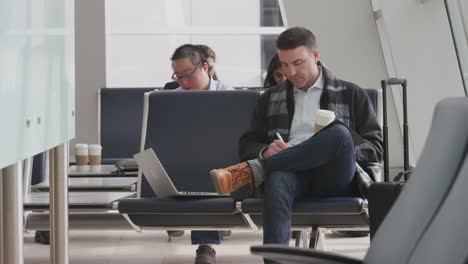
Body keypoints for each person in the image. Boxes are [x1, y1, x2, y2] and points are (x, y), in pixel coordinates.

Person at [209, 27, 383, 254]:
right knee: (278, 177)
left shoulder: (352, 94)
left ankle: (253, 171)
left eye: (298, 63)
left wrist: (335, 146)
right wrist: (264, 150)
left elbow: (375, 148)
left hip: (336, 177)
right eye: (284, 64)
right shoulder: (270, 98)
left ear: (315, 56)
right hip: (292, 175)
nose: (291, 72)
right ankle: (275, 260)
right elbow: (248, 142)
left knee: (338, 133)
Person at [168, 44, 233, 264]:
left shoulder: (230, 97)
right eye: (178, 77)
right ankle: (205, 246)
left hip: (224, 164)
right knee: (196, 166)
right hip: (184, 163)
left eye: (188, 75)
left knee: (207, 167)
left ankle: (205, 246)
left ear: (205, 67)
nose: (183, 82)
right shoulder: (170, 100)